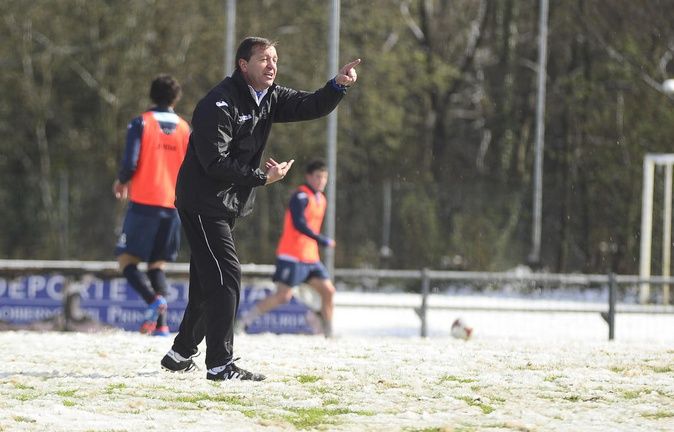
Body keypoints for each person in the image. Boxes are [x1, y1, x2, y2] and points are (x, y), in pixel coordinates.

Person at [160, 36, 359, 381]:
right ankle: (221, 364)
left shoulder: (270, 97)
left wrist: (337, 86)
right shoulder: (218, 103)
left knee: (209, 283)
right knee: (227, 277)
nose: (272, 65)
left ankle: (180, 354)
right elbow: (213, 163)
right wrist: (260, 178)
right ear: (243, 65)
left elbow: (311, 105)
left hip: (223, 204)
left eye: (275, 59)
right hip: (202, 202)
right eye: (264, 59)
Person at [113, 74, 190, 336]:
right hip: (173, 205)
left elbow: (131, 161)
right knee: (157, 265)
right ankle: (162, 325)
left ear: (151, 95)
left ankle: (153, 301)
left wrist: (122, 181)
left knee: (126, 260)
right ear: (175, 98)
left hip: (145, 202)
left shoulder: (141, 123)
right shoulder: (183, 128)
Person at [237, 159, 336, 337]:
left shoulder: (321, 199)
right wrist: (320, 239)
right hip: (292, 255)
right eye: (318, 177)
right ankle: (243, 322)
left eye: (324, 177)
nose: (321, 181)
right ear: (308, 177)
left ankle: (328, 333)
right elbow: (299, 224)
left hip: (311, 258)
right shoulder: (300, 196)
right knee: (283, 296)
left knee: (328, 291)